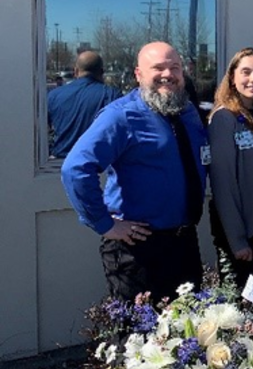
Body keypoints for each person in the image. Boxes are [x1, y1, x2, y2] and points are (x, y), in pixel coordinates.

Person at [61, 42, 207, 302]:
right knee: (136, 337)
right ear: (138, 74)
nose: (168, 74)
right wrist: (105, 224)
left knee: (188, 334)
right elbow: (76, 169)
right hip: (137, 249)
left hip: (184, 243)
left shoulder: (188, 112)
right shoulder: (121, 116)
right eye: (158, 68)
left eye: (175, 67)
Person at [207, 48, 253, 288]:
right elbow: (223, 184)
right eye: (246, 72)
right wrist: (237, 240)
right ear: (232, 77)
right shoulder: (224, 119)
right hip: (245, 237)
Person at [48, 50, 121, 158]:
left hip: (60, 162)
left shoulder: (53, 95)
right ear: (101, 72)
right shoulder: (112, 95)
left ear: (76, 71)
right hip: (98, 163)